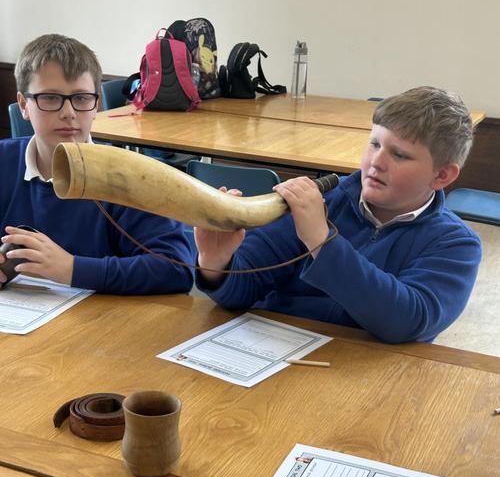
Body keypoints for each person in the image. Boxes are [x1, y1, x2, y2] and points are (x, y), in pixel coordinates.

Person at [194, 86, 481, 343]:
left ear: (442, 175)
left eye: (400, 155)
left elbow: (406, 322)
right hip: (275, 352)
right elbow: (243, 291)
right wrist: (217, 263)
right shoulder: (323, 200)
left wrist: (322, 241)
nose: (376, 162)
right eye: (375, 144)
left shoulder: (456, 244)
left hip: (369, 374)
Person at [0, 33, 193, 294]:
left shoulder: (130, 175)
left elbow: (176, 268)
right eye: (50, 98)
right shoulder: (4, 161)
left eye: (81, 98)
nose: (68, 113)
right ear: (24, 105)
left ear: (96, 106)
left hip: (105, 317)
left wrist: (71, 268)